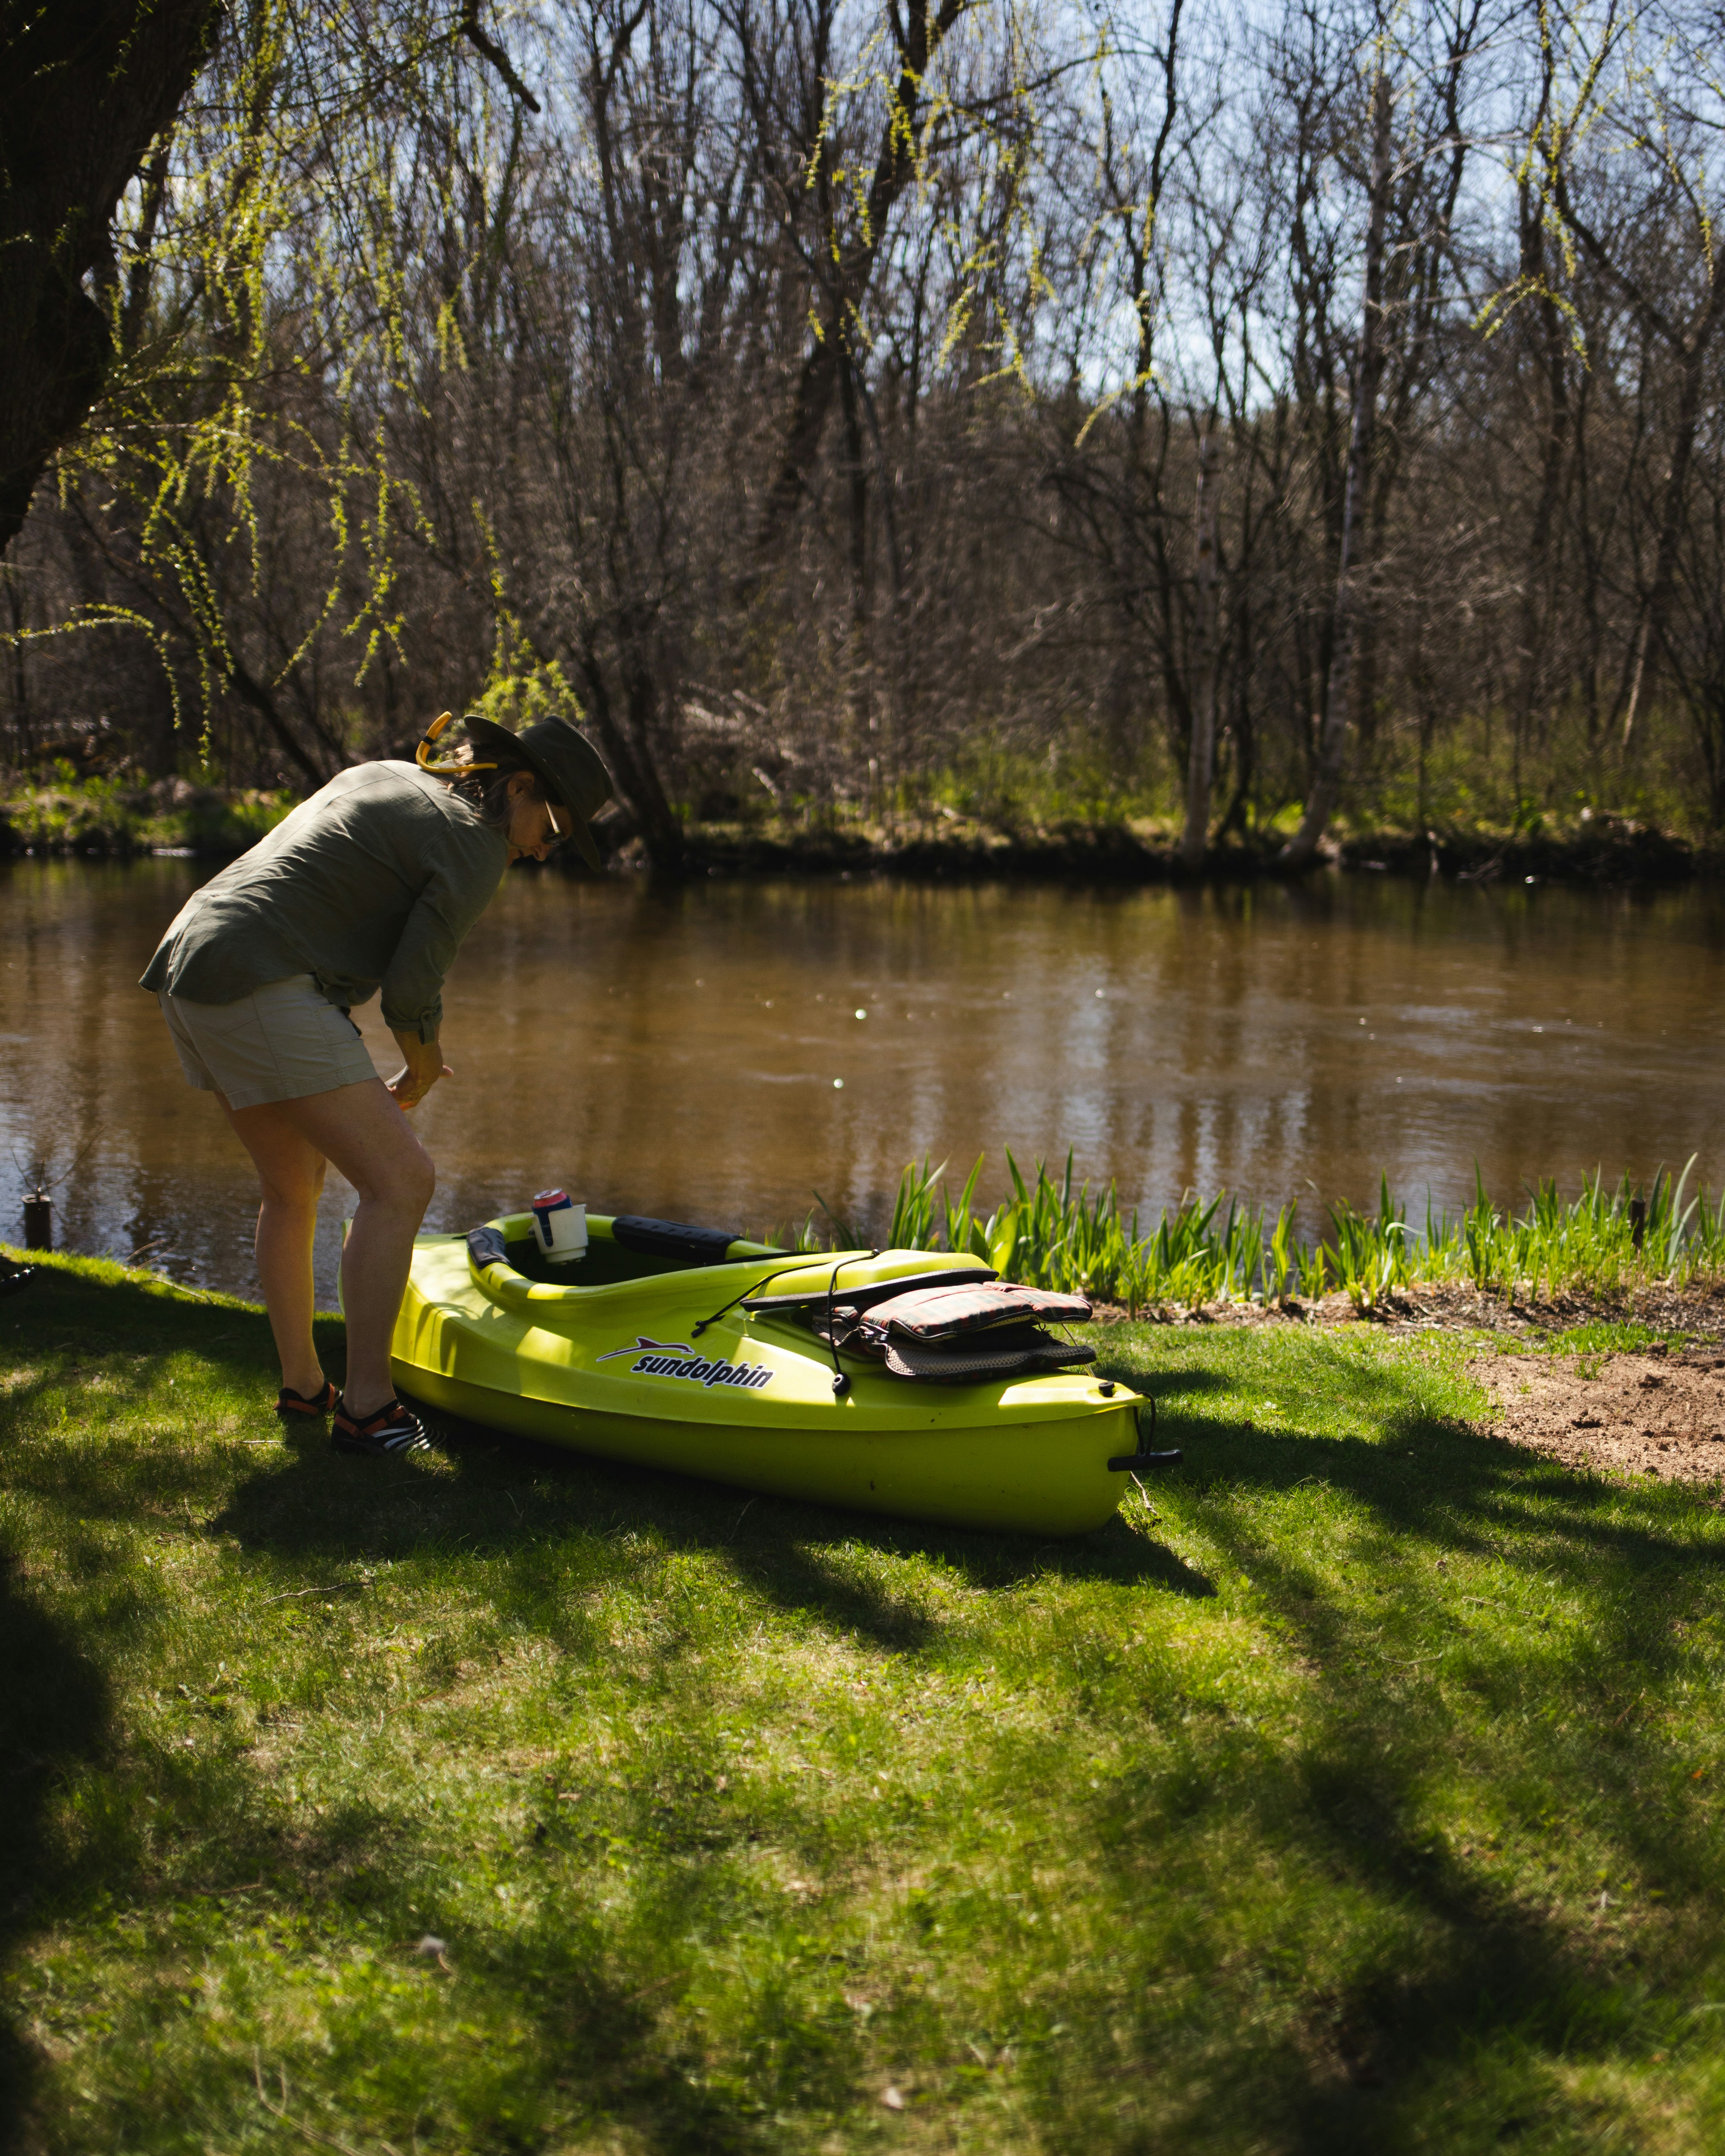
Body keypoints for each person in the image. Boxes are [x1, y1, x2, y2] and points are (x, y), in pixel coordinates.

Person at [140, 714, 613, 1456]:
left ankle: (305, 1386)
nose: (545, 849)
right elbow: (412, 986)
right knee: (402, 1182)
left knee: (292, 1189)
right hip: (264, 977)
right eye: (551, 826)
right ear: (518, 786)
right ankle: (368, 1409)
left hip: (193, 961)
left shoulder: (386, 773)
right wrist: (422, 1066)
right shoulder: (475, 840)